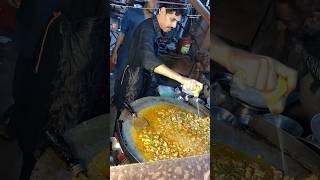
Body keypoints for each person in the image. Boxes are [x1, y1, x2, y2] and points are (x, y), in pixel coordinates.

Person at [114, 0, 203, 111]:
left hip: (144, 79)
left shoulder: (156, 28)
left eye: (177, 21)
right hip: (132, 82)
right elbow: (148, 59)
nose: (174, 26)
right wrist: (182, 79)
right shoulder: (147, 28)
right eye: (172, 19)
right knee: (127, 113)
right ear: (162, 11)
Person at [111, 0, 157, 85]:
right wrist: (115, 51)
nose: (155, 4)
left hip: (141, 59)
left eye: (157, 2)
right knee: (119, 78)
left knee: (134, 82)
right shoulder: (131, 13)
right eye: (153, 1)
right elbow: (122, 33)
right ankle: (116, 96)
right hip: (125, 54)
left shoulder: (155, 20)